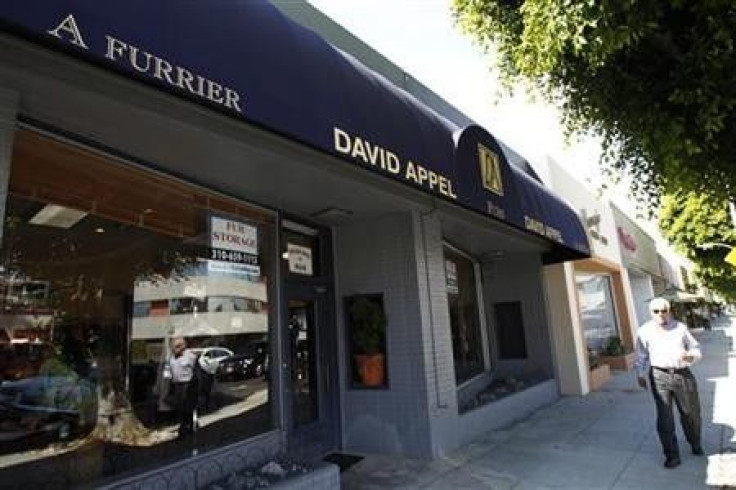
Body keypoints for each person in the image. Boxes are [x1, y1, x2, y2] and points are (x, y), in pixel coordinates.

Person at [635, 297, 704, 469]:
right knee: (665, 417)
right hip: (659, 376)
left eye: (664, 310)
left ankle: (694, 441)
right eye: (656, 311)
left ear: (669, 310)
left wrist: (692, 356)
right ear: (651, 313)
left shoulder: (680, 328)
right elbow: (641, 356)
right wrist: (640, 374)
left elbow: (696, 348)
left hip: (683, 375)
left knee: (690, 414)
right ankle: (672, 455)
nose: (660, 314)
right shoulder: (644, 331)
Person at [167, 337, 198, 438]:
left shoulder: (190, 356)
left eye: (177, 346)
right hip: (176, 384)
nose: (174, 349)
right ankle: (184, 425)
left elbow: (195, 371)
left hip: (187, 384)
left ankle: (188, 426)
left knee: (187, 406)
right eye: (173, 347)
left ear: (183, 346)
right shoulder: (172, 357)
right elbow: (168, 370)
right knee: (179, 406)